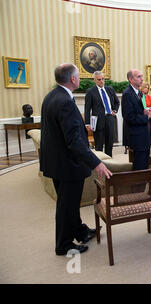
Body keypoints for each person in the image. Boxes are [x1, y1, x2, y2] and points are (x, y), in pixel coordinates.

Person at [40, 63, 111, 256]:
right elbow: (74, 141)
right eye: (78, 76)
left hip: (55, 162)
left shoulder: (52, 96)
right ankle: (63, 244)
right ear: (72, 79)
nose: (80, 78)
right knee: (67, 205)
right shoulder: (65, 101)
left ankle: (80, 231)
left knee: (68, 203)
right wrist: (97, 162)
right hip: (67, 164)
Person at [121, 69, 151, 170]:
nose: (142, 79)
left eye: (142, 76)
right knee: (139, 166)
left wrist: (145, 111)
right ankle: (137, 186)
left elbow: (139, 111)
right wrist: (146, 117)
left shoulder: (139, 92)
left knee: (145, 164)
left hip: (144, 134)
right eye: (138, 77)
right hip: (137, 136)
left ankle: (144, 185)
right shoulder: (127, 94)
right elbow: (128, 117)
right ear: (130, 79)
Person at [84, 71, 120, 157]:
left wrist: (114, 111)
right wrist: (87, 123)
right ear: (95, 80)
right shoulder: (91, 91)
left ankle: (110, 164)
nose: (102, 81)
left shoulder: (110, 89)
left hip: (109, 119)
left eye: (103, 79)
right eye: (99, 80)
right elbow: (87, 109)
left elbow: (117, 102)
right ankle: (99, 165)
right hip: (97, 121)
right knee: (99, 145)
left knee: (109, 144)